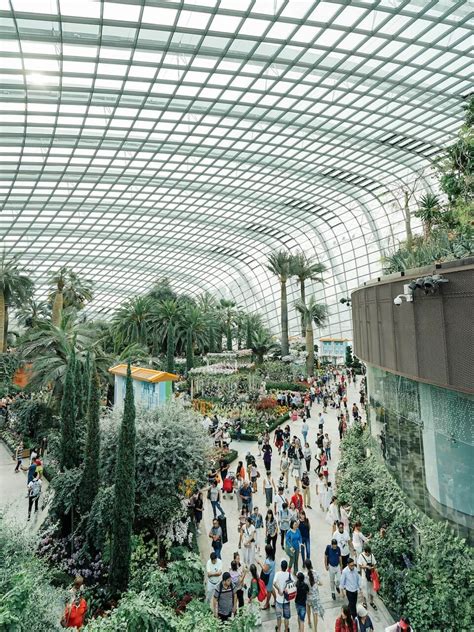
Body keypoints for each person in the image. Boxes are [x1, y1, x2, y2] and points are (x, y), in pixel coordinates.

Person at [304, 559, 324, 630]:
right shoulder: (315, 573)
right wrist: (317, 583)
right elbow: (321, 583)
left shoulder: (305, 575)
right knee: (315, 612)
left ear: (305, 566)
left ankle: (309, 620)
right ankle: (315, 629)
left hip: (308, 596)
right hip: (315, 596)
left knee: (308, 607)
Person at [274, 559, 292, 632]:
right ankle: (286, 630)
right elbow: (293, 584)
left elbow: (274, 583)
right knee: (286, 617)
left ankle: (278, 630)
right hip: (286, 600)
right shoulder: (289, 574)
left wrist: (279, 590)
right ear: (286, 567)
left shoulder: (277, 574)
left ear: (281, 567)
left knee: (279, 617)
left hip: (278, 600)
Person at [357, 545, 377, 611]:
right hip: (364, 575)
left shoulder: (371, 555)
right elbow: (360, 566)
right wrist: (366, 567)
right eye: (368, 553)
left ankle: (371, 601)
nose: (369, 554)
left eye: (369, 553)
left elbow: (374, 564)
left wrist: (373, 568)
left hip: (371, 575)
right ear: (366, 552)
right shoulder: (361, 556)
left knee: (372, 589)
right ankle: (364, 602)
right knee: (364, 588)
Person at [258, 544, 276, 609]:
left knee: (269, 590)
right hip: (272, 573)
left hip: (269, 577)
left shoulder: (268, 561)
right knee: (271, 587)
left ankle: (267, 604)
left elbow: (265, 570)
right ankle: (275, 600)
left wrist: (260, 563)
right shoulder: (272, 557)